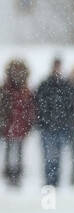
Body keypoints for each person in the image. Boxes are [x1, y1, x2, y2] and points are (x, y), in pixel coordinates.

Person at [35, 57, 74, 187]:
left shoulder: (64, 85)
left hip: (60, 128)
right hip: (47, 128)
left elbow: (69, 106)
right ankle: (49, 184)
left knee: (57, 158)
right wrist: (44, 121)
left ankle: (56, 184)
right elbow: (39, 104)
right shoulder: (45, 84)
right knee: (49, 158)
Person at [1, 59, 35, 189]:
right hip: (9, 125)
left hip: (20, 125)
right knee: (10, 150)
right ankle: (9, 174)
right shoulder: (6, 89)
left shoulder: (26, 90)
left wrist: (28, 123)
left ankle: (18, 174)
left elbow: (30, 108)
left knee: (19, 150)